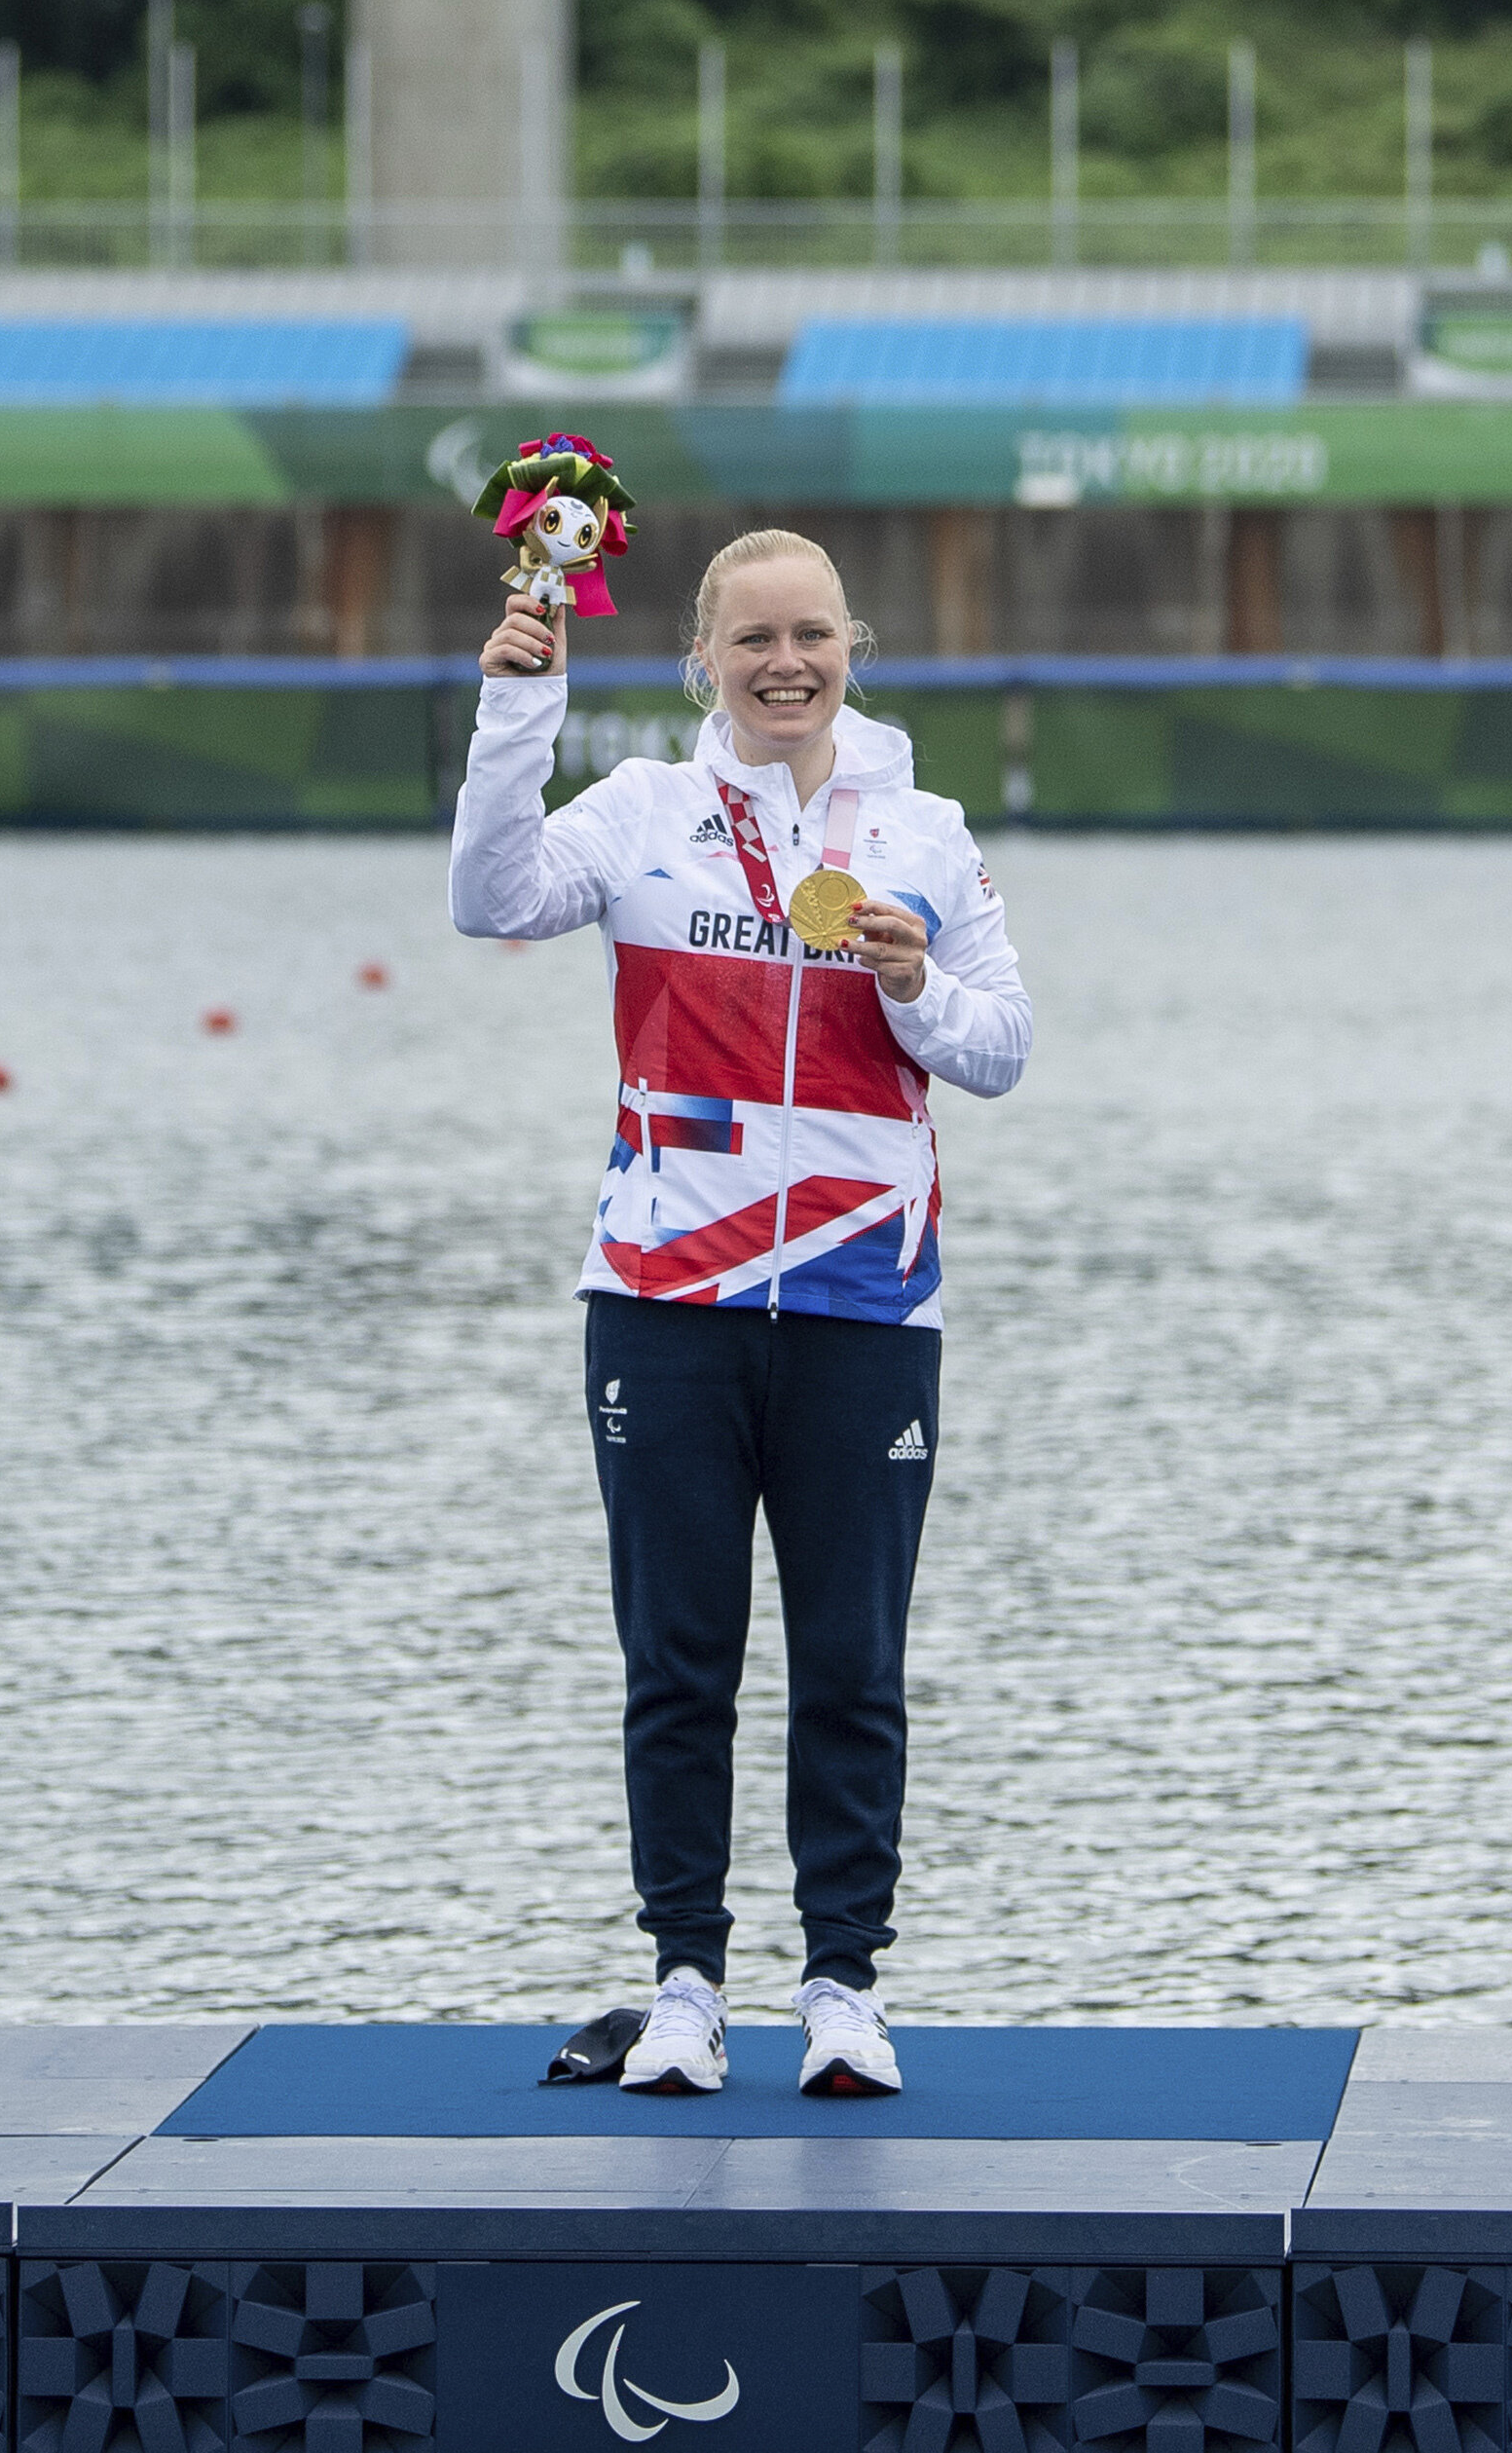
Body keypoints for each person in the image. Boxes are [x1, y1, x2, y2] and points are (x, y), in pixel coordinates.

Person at [451, 525, 1031, 2098]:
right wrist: (519, 710)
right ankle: (689, 1987)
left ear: (855, 647)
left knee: (851, 1660)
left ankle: (843, 1986)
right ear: (701, 658)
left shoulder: (923, 831)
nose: (786, 664)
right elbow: (489, 896)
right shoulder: (644, 810)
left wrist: (914, 987)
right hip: (663, 1300)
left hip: (864, 1302)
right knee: (679, 1658)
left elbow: (1003, 1047)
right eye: (753, 640)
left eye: (814, 636)